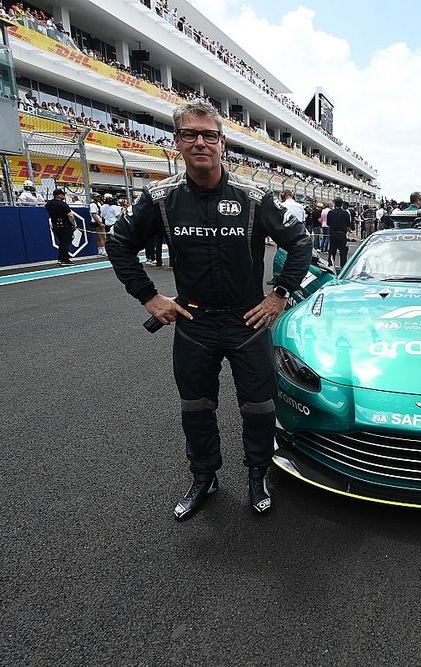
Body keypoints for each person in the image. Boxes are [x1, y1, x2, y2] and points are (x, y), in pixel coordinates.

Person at [106, 101, 312, 520]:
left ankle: (257, 473)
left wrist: (279, 294)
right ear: (177, 141)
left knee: (259, 406)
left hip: (247, 321)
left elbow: (300, 243)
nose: (200, 142)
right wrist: (149, 297)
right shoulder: (160, 198)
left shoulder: (253, 197)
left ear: (222, 143)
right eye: (190, 134)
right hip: (194, 322)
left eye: (209, 135)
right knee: (196, 407)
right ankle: (204, 476)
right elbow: (118, 243)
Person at [45, 188, 79, 265]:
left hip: (55, 226)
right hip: (64, 225)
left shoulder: (49, 204)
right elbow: (70, 215)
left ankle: (60, 258)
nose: (64, 196)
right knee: (65, 243)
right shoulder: (62, 204)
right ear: (59, 195)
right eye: (63, 194)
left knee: (62, 242)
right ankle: (65, 260)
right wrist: (73, 224)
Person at [327, 197, 354, 266]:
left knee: (332, 250)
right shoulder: (345, 213)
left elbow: (328, 223)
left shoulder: (330, 212)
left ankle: (331, 264)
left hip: (333, 233)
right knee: (343, 251)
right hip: (342, 234)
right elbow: (348, 224)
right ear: (342, 204)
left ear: (334, 203)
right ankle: (343, 265)